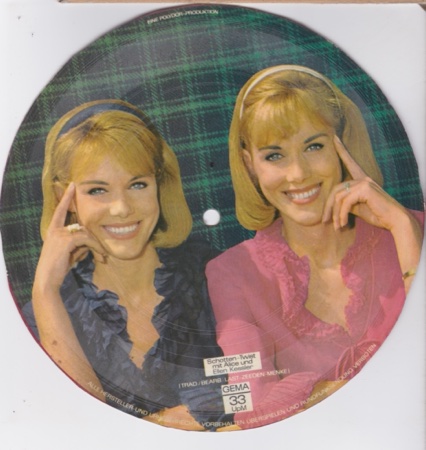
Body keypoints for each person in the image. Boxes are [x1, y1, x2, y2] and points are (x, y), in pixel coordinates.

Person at [206, 65, 424, 430]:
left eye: (314, 146)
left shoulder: (412, 229)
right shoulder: (231, 272)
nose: (298, 174)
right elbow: (251, 409)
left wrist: (404, 228)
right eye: (274, 155)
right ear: (250, 165)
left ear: (343, 145)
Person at [24, 99, 232, 431]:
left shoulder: (217, 273)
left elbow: (262, 394)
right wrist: (45, 290)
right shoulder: (43, 315)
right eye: (97, 190)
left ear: (159, 185)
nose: (121, 208)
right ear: (66, 198)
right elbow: (74, 430)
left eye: (137, 184)